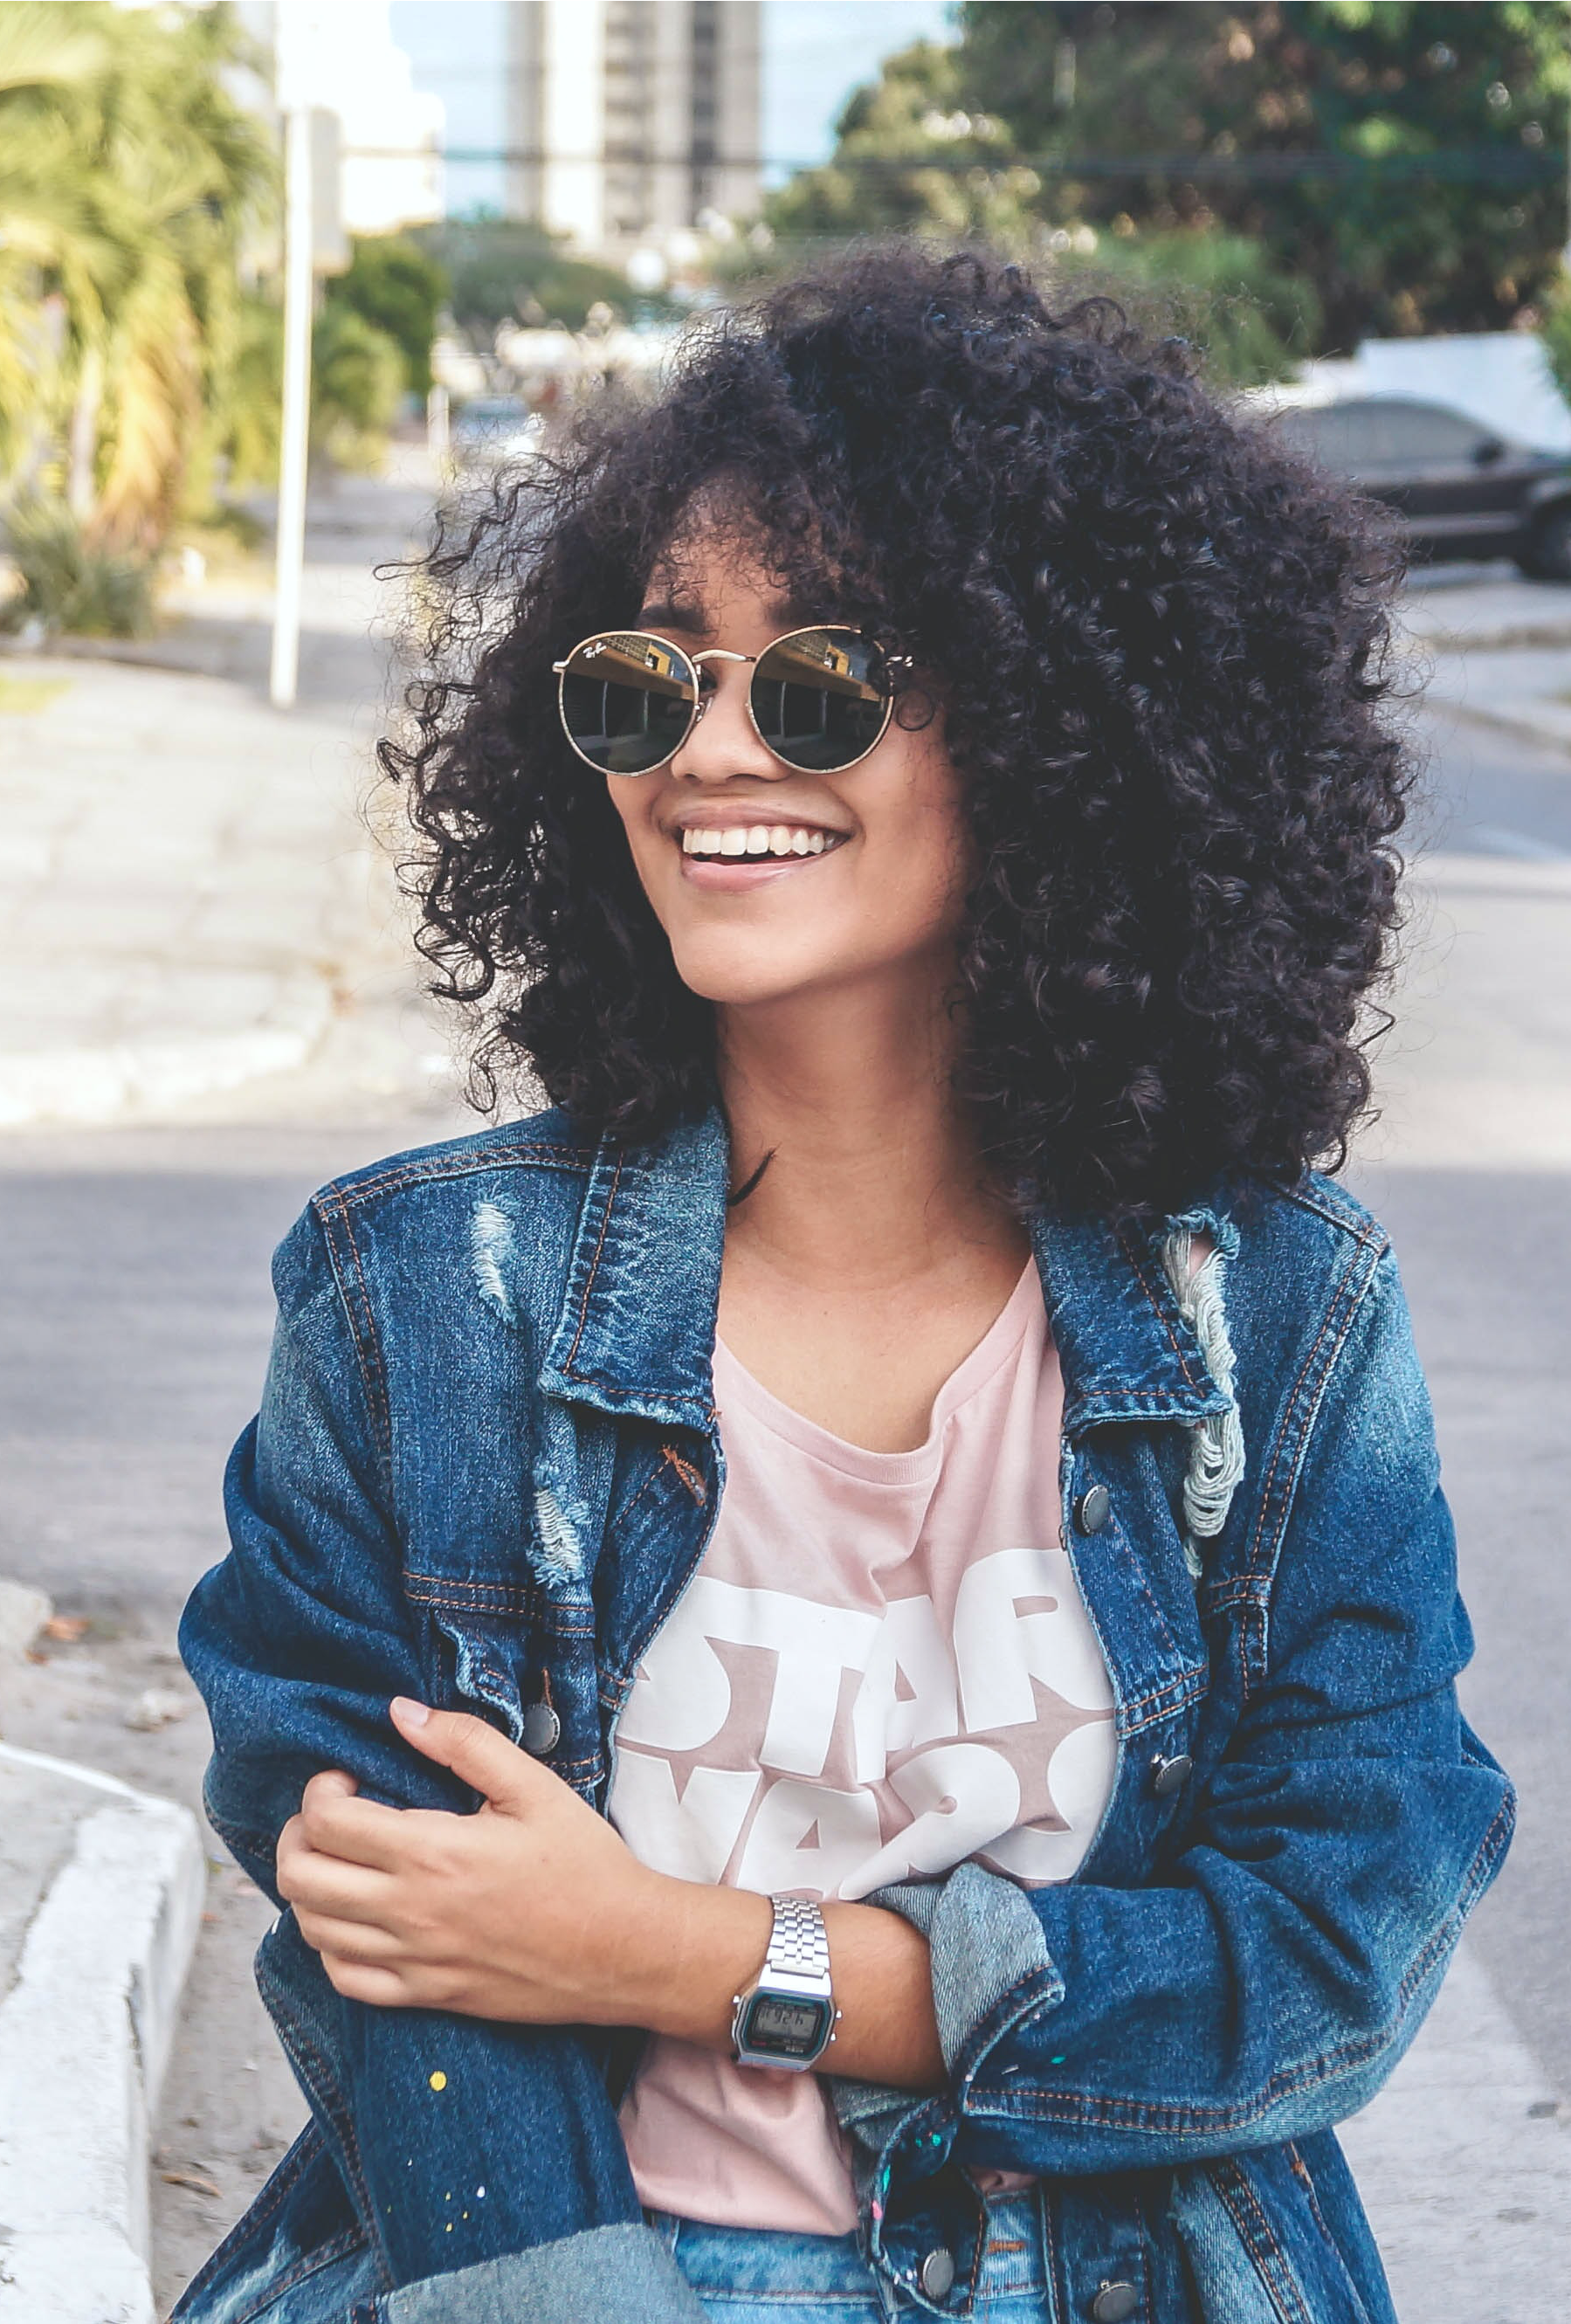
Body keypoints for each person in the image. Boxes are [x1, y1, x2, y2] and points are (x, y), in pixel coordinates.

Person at [176, 249, 1512, 2324]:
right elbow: (389, 1943)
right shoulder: (418, 1292)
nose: (711, 750)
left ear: (1056, 731)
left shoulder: (1281, 1314)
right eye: (650, 680)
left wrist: (687, 1953)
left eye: (817, 683)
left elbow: (1325, 1962)